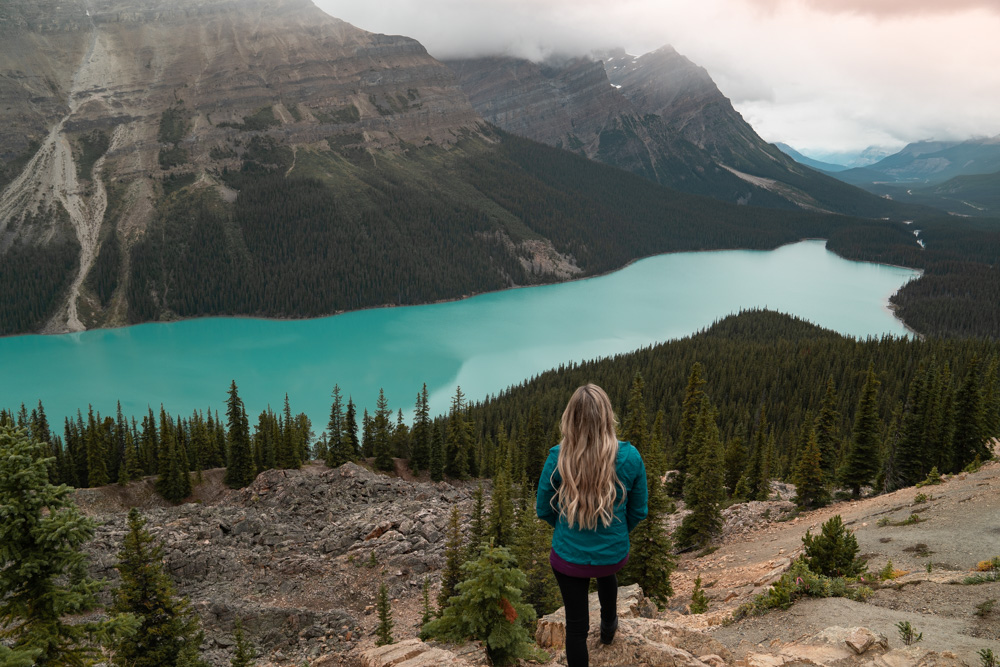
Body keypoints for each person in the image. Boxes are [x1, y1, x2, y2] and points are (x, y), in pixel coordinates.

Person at [536, 384, 648, 667]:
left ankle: (604, 630)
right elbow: (638, 511)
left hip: (568, 556)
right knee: (605, 573)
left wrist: (565, 528)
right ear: (607, 417)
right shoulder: (630, 457)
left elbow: (543, 509)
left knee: (575, 628)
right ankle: (609, 628)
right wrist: (617, 534)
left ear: (570, 418)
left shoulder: (558, 457)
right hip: (612, 555)